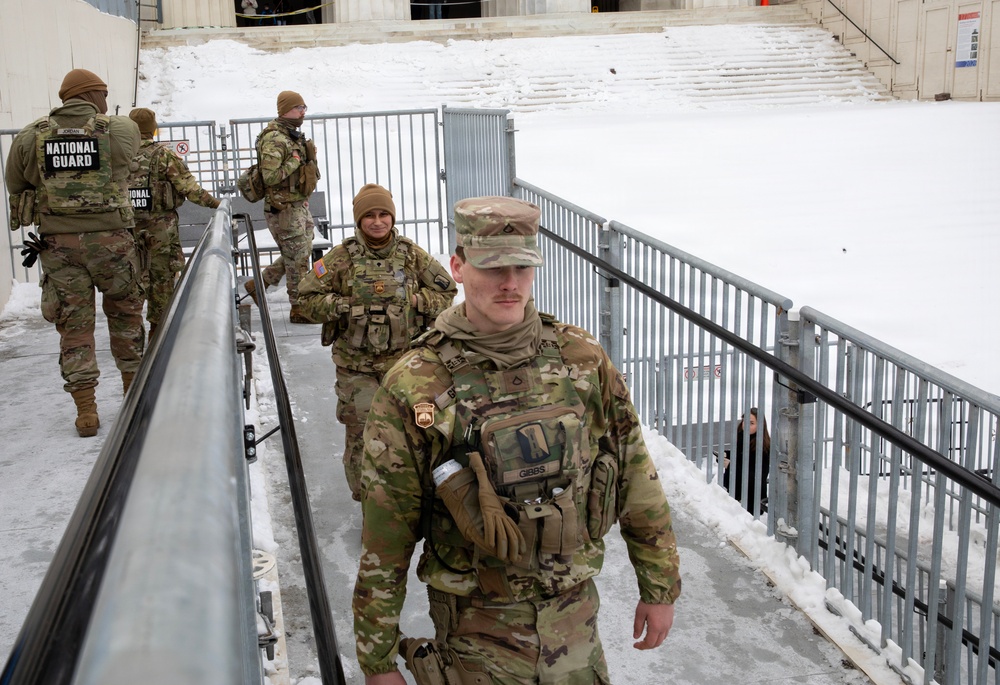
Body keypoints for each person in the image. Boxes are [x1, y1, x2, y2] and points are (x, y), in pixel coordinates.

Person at [352, 196, 681, 684]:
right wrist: (376, 661)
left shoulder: (580, 358)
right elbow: (387, 533)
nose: (510, 283)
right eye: (493, 268)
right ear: (458, 267)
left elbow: (634, 469)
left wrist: (659, 587)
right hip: (477, 632)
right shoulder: (416, 384)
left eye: (522, 268)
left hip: (574, 622)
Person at [4, 69, 145, 437]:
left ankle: (86, 412)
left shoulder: (29, 136)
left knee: (74, 327)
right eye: (103, 93)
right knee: (126, 315)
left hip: (59, 246)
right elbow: (129, 157)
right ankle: (132, 395)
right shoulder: (118, 128)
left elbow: (15, 183)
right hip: (112, 243)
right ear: (94, 95)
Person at [297, 183, 457, 501]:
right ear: (358, 220)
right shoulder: (340, 258)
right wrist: (343, 305)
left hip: (406, 365)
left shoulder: (412, 255)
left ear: (392, 217)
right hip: (356, 367)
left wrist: (415, 299)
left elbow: (447, 293)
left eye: (384, 214)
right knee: (362, 435)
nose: (378, 221)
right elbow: (305, 298)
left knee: (416, 430)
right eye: (369, 215)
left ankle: (415, 498)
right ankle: (368, 502)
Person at [127, 107, 220, 341]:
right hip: (160, 232)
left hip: (127, 231)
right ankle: (159, 340)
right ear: (153, 129)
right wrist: (216, 204)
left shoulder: (120, 155)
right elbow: (189, 188)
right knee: (162, 284)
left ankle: (131, 340)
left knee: (132, 283)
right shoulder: (163, 155)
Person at [243, 90, 320, 323]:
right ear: (285, 109)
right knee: (297, 259)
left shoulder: (290, 135)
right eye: (299, 107)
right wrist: (295, 161)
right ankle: (298, 308)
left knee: (301, 251)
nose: (303, 112)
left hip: (296, 204)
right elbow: (270, 176)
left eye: (304, 107)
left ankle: (260, 284)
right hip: (283, 209)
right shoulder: (275, 138)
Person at [722, 407, 771, 515]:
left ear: (760, 425)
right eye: (745, 421)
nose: (746, 425)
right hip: (736, 492)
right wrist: (727, 454)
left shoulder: (763, 448)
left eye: (751, 423)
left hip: (750, 500)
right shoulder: (743, 437)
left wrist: (731, 466)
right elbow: (742, 458)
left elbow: (756, 477)